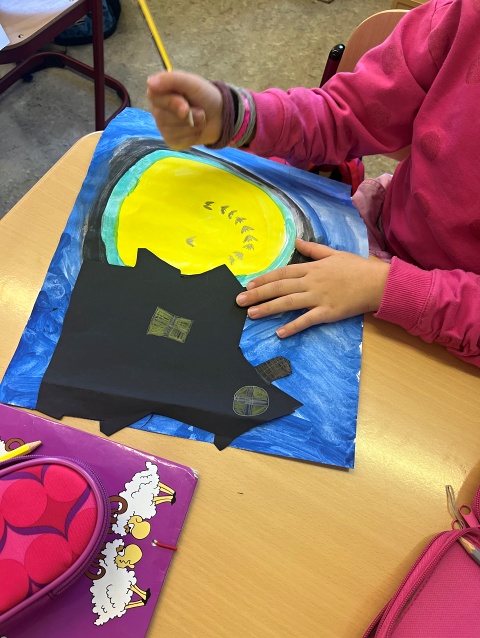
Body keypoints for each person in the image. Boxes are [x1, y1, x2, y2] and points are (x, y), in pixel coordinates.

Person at [147, 0, 480, 368]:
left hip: (453, 340)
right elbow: (346, 115)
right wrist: (239, 118)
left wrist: (386, 288)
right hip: (379, 240)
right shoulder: (464, 17)